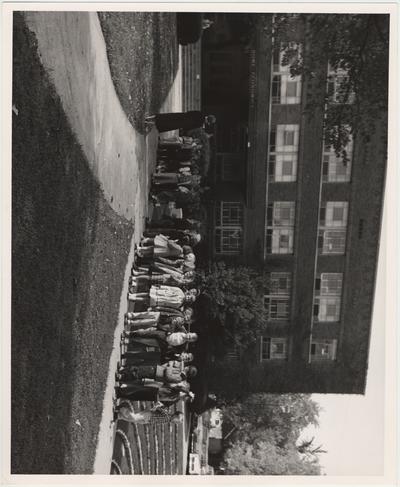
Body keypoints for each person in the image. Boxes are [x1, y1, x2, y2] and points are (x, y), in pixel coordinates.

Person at [127, 285, 198, 309]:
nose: (188, 298)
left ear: (188, 302)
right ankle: (132, 295)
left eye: (189, 300)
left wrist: (158, 307)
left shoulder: (179, 304)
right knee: (146, 294)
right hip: (161, 292)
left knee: (146, 300)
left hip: (161, 301)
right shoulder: (179, 291)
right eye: (189, 297)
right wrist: (161, 287)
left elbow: (168, 306)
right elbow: (169, 288)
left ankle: (132, 299)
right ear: (188, 294)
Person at [115, 401, 184, 425]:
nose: (178, 422)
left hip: (148, 421)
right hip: (148, 415)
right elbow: (159, 407)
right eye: (179, 419)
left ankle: (118, 415)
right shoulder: (167, 415)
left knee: (132, 420)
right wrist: (158, 406)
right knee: (134, 417)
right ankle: (123, 408)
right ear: (175, 415)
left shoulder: (169, 420)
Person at [145, 111, 216, 133]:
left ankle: (148, 118)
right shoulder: (200, 124)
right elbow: (190, 128)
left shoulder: (201, 113)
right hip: (181, 123)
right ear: (208, 122)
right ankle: (148, 123)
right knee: (166, 124)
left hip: (182, 116)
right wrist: (184, 129)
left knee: (166, 116)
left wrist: (186, 114)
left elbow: (190, 112)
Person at [122, 329, 198, 348]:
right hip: (163, 334)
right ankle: (128, 333)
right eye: (190, 336)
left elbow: (173, 346)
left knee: (144, 341)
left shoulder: (182, 344)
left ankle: (127, 340)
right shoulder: (182, 330)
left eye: (190, 339)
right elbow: (173, 324)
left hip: (163, 342)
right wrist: (170, 331)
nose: (188, 337)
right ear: (189, 332)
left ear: (190, 341)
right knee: (145, 333)